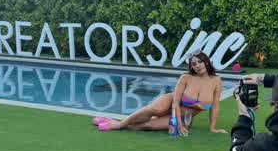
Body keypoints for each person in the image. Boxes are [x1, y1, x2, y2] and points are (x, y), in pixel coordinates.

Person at [93, 51, 227, 134]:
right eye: (194, 64)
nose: (197, 65)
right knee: (155, 110)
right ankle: (119, 124)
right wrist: (178, 124)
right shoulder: (186, 77)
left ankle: (113, 121)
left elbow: (215, 106)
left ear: (206, 62)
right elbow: (175, 102)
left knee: (148, 125)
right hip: (171, 103)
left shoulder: (216, 81)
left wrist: (213, 128)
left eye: (200, 62)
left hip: (185, 117)